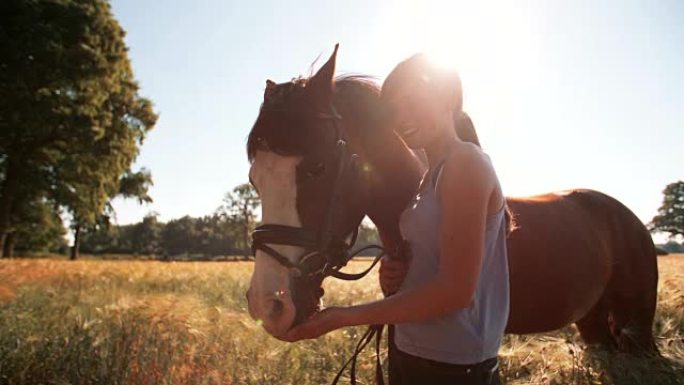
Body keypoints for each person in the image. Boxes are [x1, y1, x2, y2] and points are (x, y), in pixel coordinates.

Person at [282, 53, 510, 385]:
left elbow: (455, 291)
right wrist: (397, 275)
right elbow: (434, 264)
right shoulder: (429, 178)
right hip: (413, 351)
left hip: (453, 367)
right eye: (393, 109)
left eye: (414, 102)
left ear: (447, 98)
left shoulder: (465, 164)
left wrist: (342, 317)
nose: (402, 117)